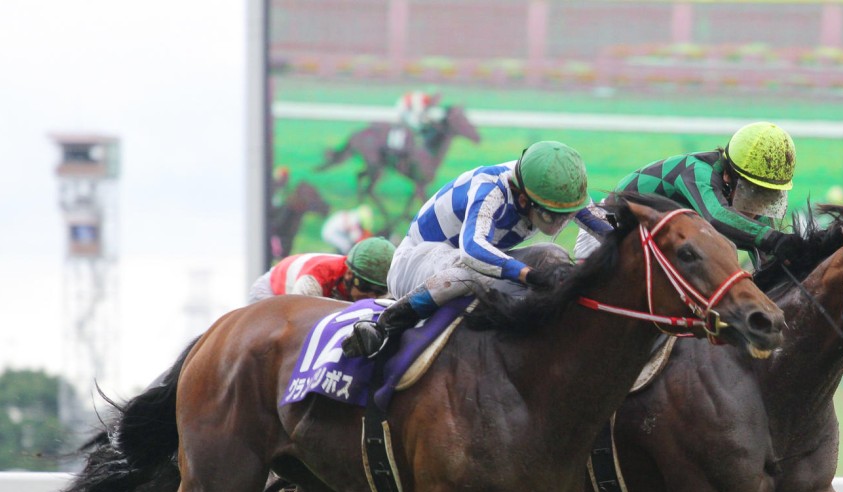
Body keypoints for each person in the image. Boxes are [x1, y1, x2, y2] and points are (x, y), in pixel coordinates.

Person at [343, 140, 612, 358]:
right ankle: (384, 326)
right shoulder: (491, 189)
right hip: (416, 262)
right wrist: (528, 275)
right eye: (554, 215)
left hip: (462, 262)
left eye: (567, 213)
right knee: (469, 271)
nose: (563, 220)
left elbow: (609, 232)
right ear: (522, 198)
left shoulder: (561, 193)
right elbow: (473, 250)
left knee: (553, 257)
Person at [575, 121, 796, 266]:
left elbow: (766, 254)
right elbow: (717, 217)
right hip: (607, 231)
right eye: (754, 195)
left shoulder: (736, 189)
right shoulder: (696, 171)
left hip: (653, 244)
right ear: (729, 176)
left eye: (767, 198)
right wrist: (774, 239)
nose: (757, 209)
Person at [248, 236, 395, 303]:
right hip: (270, 291)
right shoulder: (314, 281)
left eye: (379, 291)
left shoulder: (386, 291)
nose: (372, 296)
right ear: (349, 274)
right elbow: (297, 322)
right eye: (365, 287)